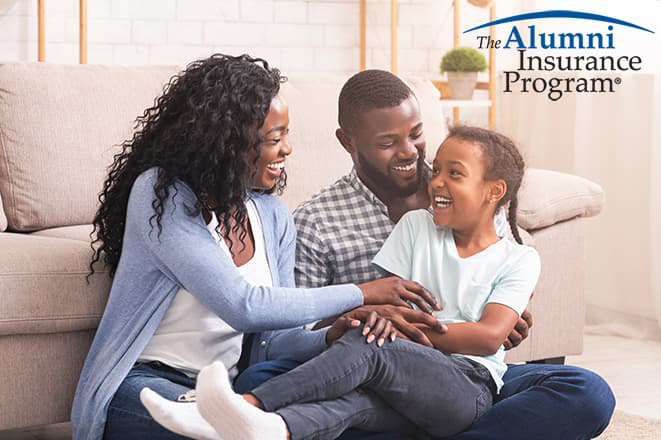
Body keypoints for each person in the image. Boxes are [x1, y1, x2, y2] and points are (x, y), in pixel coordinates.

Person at [71, 56, 441, 440]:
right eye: (274, 138)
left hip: (225, 392)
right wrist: (361, 293)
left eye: (287, 135)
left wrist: (330, 334)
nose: (288, 150)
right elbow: (244, 306)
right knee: (221, 429)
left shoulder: (272, 215)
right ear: (228, 140)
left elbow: (272, 341)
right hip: (145, 382)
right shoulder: (162, 195)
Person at [233, 70, 616, 439]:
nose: (409, 153)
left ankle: (275, 417)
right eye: (387, 143)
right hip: (366, 358)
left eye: (417, 134)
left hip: (465, 372)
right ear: (348, 142)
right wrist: (357, 317)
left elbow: (492, 297)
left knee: (587, 392)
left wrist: (503, 317)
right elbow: (297, 329)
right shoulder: (317, 221)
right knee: (263, 377)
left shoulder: (470, 185)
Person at [140, 125, 544, 440]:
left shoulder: (520, 258)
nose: (436, 181)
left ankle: (244, 404)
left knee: (372, 344)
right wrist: (389, 327)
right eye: (435, 169)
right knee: (350, 402)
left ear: (494, 191)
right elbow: (394, 308)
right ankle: (264, 428)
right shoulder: (416, 227)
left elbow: (488, 338)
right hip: (398, 381)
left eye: (454, 174)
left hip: (464, 389)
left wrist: (399, 334)